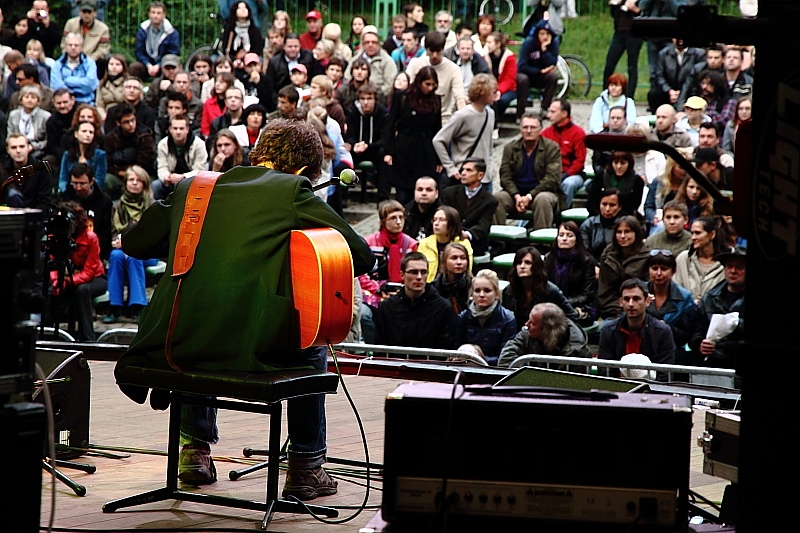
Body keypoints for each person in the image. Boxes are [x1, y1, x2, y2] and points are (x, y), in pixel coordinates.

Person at [115, 118, 375, 495]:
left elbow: (136, 243)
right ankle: (306, 466)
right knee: (314, 345)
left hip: (174, 348)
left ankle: (194, 450)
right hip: (253, 354)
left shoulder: (196, 187)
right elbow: (361, 255)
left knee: (201, 318)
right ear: (303, 170)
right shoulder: (293, 190)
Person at [104, 165, 158, 324]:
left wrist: (132, 245)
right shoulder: (116, 206)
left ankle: (139, 306)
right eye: (131, 180)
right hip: (123, 248)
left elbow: (154, 234)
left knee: (134, 257)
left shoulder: (153, 205)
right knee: (115, 256)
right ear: (125, 183)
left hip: (148, 250)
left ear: (145, 184)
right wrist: (120, 242)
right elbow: (114, 233)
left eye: (138, 180)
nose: (134, 183)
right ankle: (115, 307)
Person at [48, 199, 107, 342]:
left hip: (96, 279)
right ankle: (49, 336)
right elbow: (51, 262)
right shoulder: (55, 236)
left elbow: (89, 272)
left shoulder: (90, 237)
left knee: (82, 289)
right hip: (64, 277)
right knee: (48, 289)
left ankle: (88, 339)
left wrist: (67, 282)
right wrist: (56, 281)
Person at [493, 112, 564, 230]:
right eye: (525, 127)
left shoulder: (551, 148)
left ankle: (542, 243)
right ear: (520, 129)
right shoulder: (510, 148)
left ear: (540, 129)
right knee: (497, 198)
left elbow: (552, 179)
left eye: (533, 127)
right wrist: (516, 196)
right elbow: (505, 176)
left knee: (543, 200)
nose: (529, 131)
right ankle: (498, 242)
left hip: (542, 193)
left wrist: (529, 196)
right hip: (515, 194)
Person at [383, 65, 441, 205]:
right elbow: (390, 124)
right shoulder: (402, 97)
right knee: (402, 193)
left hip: (426, 150)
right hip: (404, 148)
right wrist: (389, 151)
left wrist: (439, 158)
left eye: (433, 85)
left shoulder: (436, 100)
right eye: (427, 84)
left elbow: (437, 129)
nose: (430, 88)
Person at [598, 278, 676, 381]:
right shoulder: (608, 331)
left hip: (652, 392)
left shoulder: (662, 332)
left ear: (647, 301)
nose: (630, 304)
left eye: (636, 298)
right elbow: (605, 371)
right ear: (621, 302)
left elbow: (666, 373)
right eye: (626, 299)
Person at [374, 251, 456, 349]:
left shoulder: (443, 307)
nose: (419, 277)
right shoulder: (387, 307)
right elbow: (379, 346)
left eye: (423, 272)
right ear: (402, 275)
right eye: (413, 272)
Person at [433, 73, 496, 192]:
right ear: (483, 92)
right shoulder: (463, 115)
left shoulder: (490, 114)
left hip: (485, 177)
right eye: (493, 91)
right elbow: (439, 140)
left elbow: (488, 145)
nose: (496, 95)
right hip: (464, 176)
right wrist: (450, 168)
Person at [688, 245, 746, 369]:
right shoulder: (709, 298)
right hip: (712, 361)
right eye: (729, 266)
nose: (733, 271)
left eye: (739, 267)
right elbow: (696, 331)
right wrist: (700, 344)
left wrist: (734, 325)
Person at [502, 245, 576, 331]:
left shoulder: (551, 291)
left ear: (536, 266)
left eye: (527, 263)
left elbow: (571, 317)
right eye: (519, 263)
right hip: (517, 338)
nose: (522, 266)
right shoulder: (509, 291)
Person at [498, 302, 589, 369]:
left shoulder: (577, 351)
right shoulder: (528, 331)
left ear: (546, 329)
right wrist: (526, 375)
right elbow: (506, 357)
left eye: (533, 323)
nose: (526, 324)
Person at [455, 269, 517, 366]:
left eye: (487, 290)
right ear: (472, 294)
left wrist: (479, 359)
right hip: (465, 368)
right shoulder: (463, 317)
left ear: (497, 294)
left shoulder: (508, 319)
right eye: (477, 290)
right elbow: (455, 349)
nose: (481, 295)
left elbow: (505, 357)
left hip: (495, 370)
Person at [543, 221, 598, 327]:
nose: (564, 239)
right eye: (561, 235)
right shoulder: (549, 258)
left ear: (576, 240)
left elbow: (587, 294)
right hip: (552, 304)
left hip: (579, 306)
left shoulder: (586, 261)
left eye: (569, 236)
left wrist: (564, 302)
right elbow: (544, 285)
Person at [406, 30, 466, 126]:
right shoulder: (415, 64)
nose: (435, 55)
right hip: (416, 118)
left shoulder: (453, 69)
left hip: (443, 119)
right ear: (426, 49)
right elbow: (407, 89)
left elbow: (459, 97)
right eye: (431, 51)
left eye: (438, 51)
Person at [441, 158, 498, 257]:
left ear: (480, 175)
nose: (463, 173)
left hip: (474, 244)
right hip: (449, 239)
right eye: (462, 169)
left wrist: (467, 234)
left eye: (468, 170)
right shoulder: (450, 192)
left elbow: (483, 226)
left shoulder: (490, 201)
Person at [343, 82, 389, 202]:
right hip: (357, 148)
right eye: (362, 99)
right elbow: (349, 135)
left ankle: (383, 197)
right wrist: (354, 145)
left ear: (375, 99)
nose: (366, 102)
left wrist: (368, 146)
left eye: (369, 99)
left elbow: (384, 139)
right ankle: (343, 196)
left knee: (383, 154)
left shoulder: (383, 113)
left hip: (374, 148)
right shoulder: (353, 112)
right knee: (344, 155)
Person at [597, 215, 651, 319]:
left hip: (640, 311)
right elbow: (604, 290)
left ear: (636, 233)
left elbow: (648, 289)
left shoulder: (647, 256)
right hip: (612, 311)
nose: (622, 236)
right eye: (619, 232)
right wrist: (619, 310)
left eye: (627, 232)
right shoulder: (608, 254)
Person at [103, 103, 157, 199]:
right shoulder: (111, 138)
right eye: (126, 122)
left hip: (142, 175)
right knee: (108, 180)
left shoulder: (144, 136)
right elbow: (108, 163)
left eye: (133, 120)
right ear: (118, 123)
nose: (131, 125)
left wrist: (127, 171)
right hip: (119, 176)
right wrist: (121, 173)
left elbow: (145, 163)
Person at [60, 162, 112, 261]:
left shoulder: (104, 201)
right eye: (75, 183)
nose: (78, 188)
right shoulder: (65, 197)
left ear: (91, 181)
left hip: (94, 249)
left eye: (82, 183)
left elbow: (105, 234)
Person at [646, 249, 696, 349]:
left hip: (672, 348)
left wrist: (667, 328)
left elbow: (687, 335)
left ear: (673, 271)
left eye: (664, 269)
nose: (658, 273)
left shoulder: (685, 297)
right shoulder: (639, 292)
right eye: (654, 268)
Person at [542, 98, 588, 209]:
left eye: (553, 112)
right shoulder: (546, 133)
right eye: (549, 111)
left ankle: (561, 212)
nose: (549, 116)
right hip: (550, 174)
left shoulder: (578, 133)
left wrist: (566, 175)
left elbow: (579, 160)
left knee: (569, 184)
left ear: (564, 113)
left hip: (572, 174)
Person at [154, 114, 208, 201]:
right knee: (156, 185)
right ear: (170, 130)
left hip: (192, 181)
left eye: (181, 128)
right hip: (170, 181)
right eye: (175, 128)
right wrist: (166, 177)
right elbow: (162, 167)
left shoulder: (199, 144)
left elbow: (200, 170)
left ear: (187, 129)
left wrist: (183, 177)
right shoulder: (163, 144)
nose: (178, 132)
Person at [674, 216, 726, 304]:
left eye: (697, 233)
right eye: (692, 233)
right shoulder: (683, 259)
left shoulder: (725, 264)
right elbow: (675, 290)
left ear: (712, 235)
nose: (693, 237)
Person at [648, 38, 706, 115]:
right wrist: (669, 91)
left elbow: (695, 77)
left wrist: (681, 93)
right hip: (669, 90)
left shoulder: (699, 54)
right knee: (654, 94)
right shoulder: (664, 53)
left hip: (689, 90)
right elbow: (659, 76)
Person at [516, 20, 559, 120]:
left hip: (542, 76)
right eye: (542, 34)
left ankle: (545, 109)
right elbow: (522, 66)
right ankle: (520, 113)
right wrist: (539, 71)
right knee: (523, 79)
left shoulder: (553, 45)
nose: (545, 37)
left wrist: (544, 50)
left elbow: (552, 63)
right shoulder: (528, 43)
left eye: (548, 34)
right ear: (537, 34)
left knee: (553, 77)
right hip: (527, 74)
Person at [418, 205, 474, 283]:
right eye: (435, 220)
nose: (436, 223)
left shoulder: (463, 244)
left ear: (452, 223)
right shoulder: (425, 243)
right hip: (429, 287)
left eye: (442, 220)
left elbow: (467, 271)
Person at [601, 0, 642, 99]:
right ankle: (605, 93)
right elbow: (614, 15)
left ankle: (629, 96)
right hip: (619, 33)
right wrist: (614, 5)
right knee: (609, 65)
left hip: (634, 33)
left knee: (632, 66)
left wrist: (633, 8)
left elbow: (643, 13)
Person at [1, 133, 53, 210]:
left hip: (35, 216)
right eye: (13, 147)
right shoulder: (2, 170)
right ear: (7, 150)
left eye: (22, 146)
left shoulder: (42, 169)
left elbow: (44, 201)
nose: (18, 151)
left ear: (28, 148)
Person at [587, 150, 644, 218]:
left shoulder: (637, 181)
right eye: (616, 163)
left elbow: (633, 205)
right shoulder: (601, 177)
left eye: (623, 163)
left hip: (624, 217)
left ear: (629, 164)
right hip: (599, 216)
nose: (618, 166)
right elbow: (592, 202)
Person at [61, 0, 110, 78]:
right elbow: (64, 42)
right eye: (84, 12)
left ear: (94, 13)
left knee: (104, 62)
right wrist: (70, 55)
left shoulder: (103, 28)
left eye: (89, 12)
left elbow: (103, 49)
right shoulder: (70, 24)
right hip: (71, 57)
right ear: (80, 12)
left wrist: (89, 60)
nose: (86, 15)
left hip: (93, 59)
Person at [134, 1, 180, 79]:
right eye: (153, 12)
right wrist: (148, 65)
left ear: (164, 15)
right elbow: (139, 51)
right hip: (146, 64)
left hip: (164, 64)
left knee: (171, 69)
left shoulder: (171, 32)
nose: (155, 16)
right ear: (149, 14)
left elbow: (173, 53)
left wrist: (159, 65)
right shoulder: (143, 30)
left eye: (158, 13)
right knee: (134, 67)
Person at [265, 33, 315, 105]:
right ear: (284, 46)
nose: (293, 49)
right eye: (290, 46)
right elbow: (270, 86)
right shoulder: (274, 62)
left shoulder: (309, 57)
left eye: (296, 46)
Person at [58, 120, 107, 192]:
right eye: (84, 131)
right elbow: (63, 179)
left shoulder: (100, 155)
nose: (88, 134)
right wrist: (66, 191)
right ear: (76, 134)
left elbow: (99, 180)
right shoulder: (67, 155)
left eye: (91, 132)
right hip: (70, 192)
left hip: (92, 194)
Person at [7, 84, 50, 160]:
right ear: (21, 99)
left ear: (38, 101)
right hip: (17, 147)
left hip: (38, 151)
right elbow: (9, 135)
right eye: (26, 97)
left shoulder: (45, 116)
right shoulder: (13, 115)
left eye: (33, 97)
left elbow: (47, 140)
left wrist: (33, 146)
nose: (29, 100)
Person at [482, 31, 516, 126]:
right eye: (486, 42)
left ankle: (496, 122)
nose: (487, 45)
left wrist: (498, 91)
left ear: (498, 44)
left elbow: (510, 79)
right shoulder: (484, 57)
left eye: (490, 42)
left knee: (502, 100)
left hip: (508, 89)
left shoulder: (509, 58)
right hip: (490, 87)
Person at [581, 188, 623, 264]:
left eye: (612, 205)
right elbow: (584, 251)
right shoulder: (588, 224)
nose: (607, 209)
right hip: (591, 266)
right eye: (604, 204)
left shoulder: (624, 226)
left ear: (620, 207)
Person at [431, 241, 473, 314]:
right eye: (454, 258)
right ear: (444, 262)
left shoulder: (474, 286)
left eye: (463, 258)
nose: (459, 262)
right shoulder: (434, 288)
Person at [403, 176, 441, 241]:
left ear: (436, 193)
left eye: (429, 190)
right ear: (414, 192)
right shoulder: (404, 213)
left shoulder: (445, 215)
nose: (424, 193)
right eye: (420, 189)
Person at [95, 53, 128, 121]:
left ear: (123, 67)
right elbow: (99, 105)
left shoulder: (128, 82)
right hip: (106, 116)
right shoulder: (102, 84)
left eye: (117, 64)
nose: (114, 67)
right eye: (111, 64)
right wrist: (103, 115)